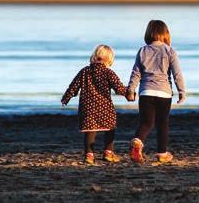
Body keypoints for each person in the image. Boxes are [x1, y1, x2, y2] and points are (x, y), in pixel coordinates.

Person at [126, 20, 186, 164]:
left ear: (149, 33)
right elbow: (177, 73)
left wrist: (131, 89)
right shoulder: (169, 51)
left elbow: (136, 73)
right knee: (162, 123)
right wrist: (181, 91)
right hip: (164, 93)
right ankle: (162, 153)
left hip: (146, 92)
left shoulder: (142, 51)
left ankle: (138, 140)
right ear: (165, 34)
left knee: (146, 123)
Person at [62, 44, 126, 165]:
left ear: (94, 56)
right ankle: (108, 152)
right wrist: (128, 94)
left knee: (90, 130)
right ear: (109, 59)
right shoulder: (108, 72)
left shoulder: (84, 71)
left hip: (88, 107)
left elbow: (73, 86)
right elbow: (119, 88)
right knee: (110, 128)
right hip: (105, 107)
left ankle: (89, 155)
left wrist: (66, 98)